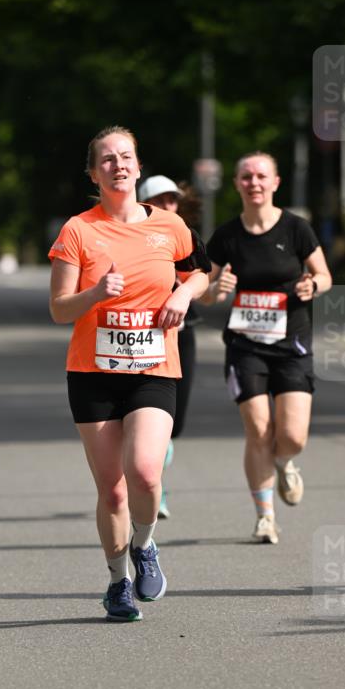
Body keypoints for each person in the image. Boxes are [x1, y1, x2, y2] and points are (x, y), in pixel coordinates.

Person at [48, 127, 210, 621]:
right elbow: (58, 308)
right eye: (107, 159)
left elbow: (200, 272)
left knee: (144, 470)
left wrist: (182, 295)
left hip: (154, 367)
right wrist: (95, 293)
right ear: (94, 173)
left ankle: (144, 546)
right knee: (112, 489)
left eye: (126, 157)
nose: (118, 165)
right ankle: (118, 581)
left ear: (138, 167)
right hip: (93, 373)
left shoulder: (170, 227)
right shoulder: (78, 230)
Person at [201, 151, 332, 544]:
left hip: (291, 342)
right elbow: (202, 293)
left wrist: (314, 286)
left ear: (275, 183)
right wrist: (215, 290)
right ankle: (265, 517)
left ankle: (285, 461)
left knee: (292, 436)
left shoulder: (296, 229)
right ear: (237, 184)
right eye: (245, 176)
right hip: (246, 346)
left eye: (261, 176)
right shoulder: (226, 237)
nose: (253, 182)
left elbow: (324, 275)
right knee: (258, 428)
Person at [137, 175, 203, 519]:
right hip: (142, 336)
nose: (168, 206)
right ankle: (153, 486)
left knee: (174, 423)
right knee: (147, 419)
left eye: (172, 200)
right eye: (159, 200)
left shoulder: (185, 237)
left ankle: (150, 476)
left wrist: (191, 287)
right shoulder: (134, 234)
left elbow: (204, 281)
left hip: (182, 333)